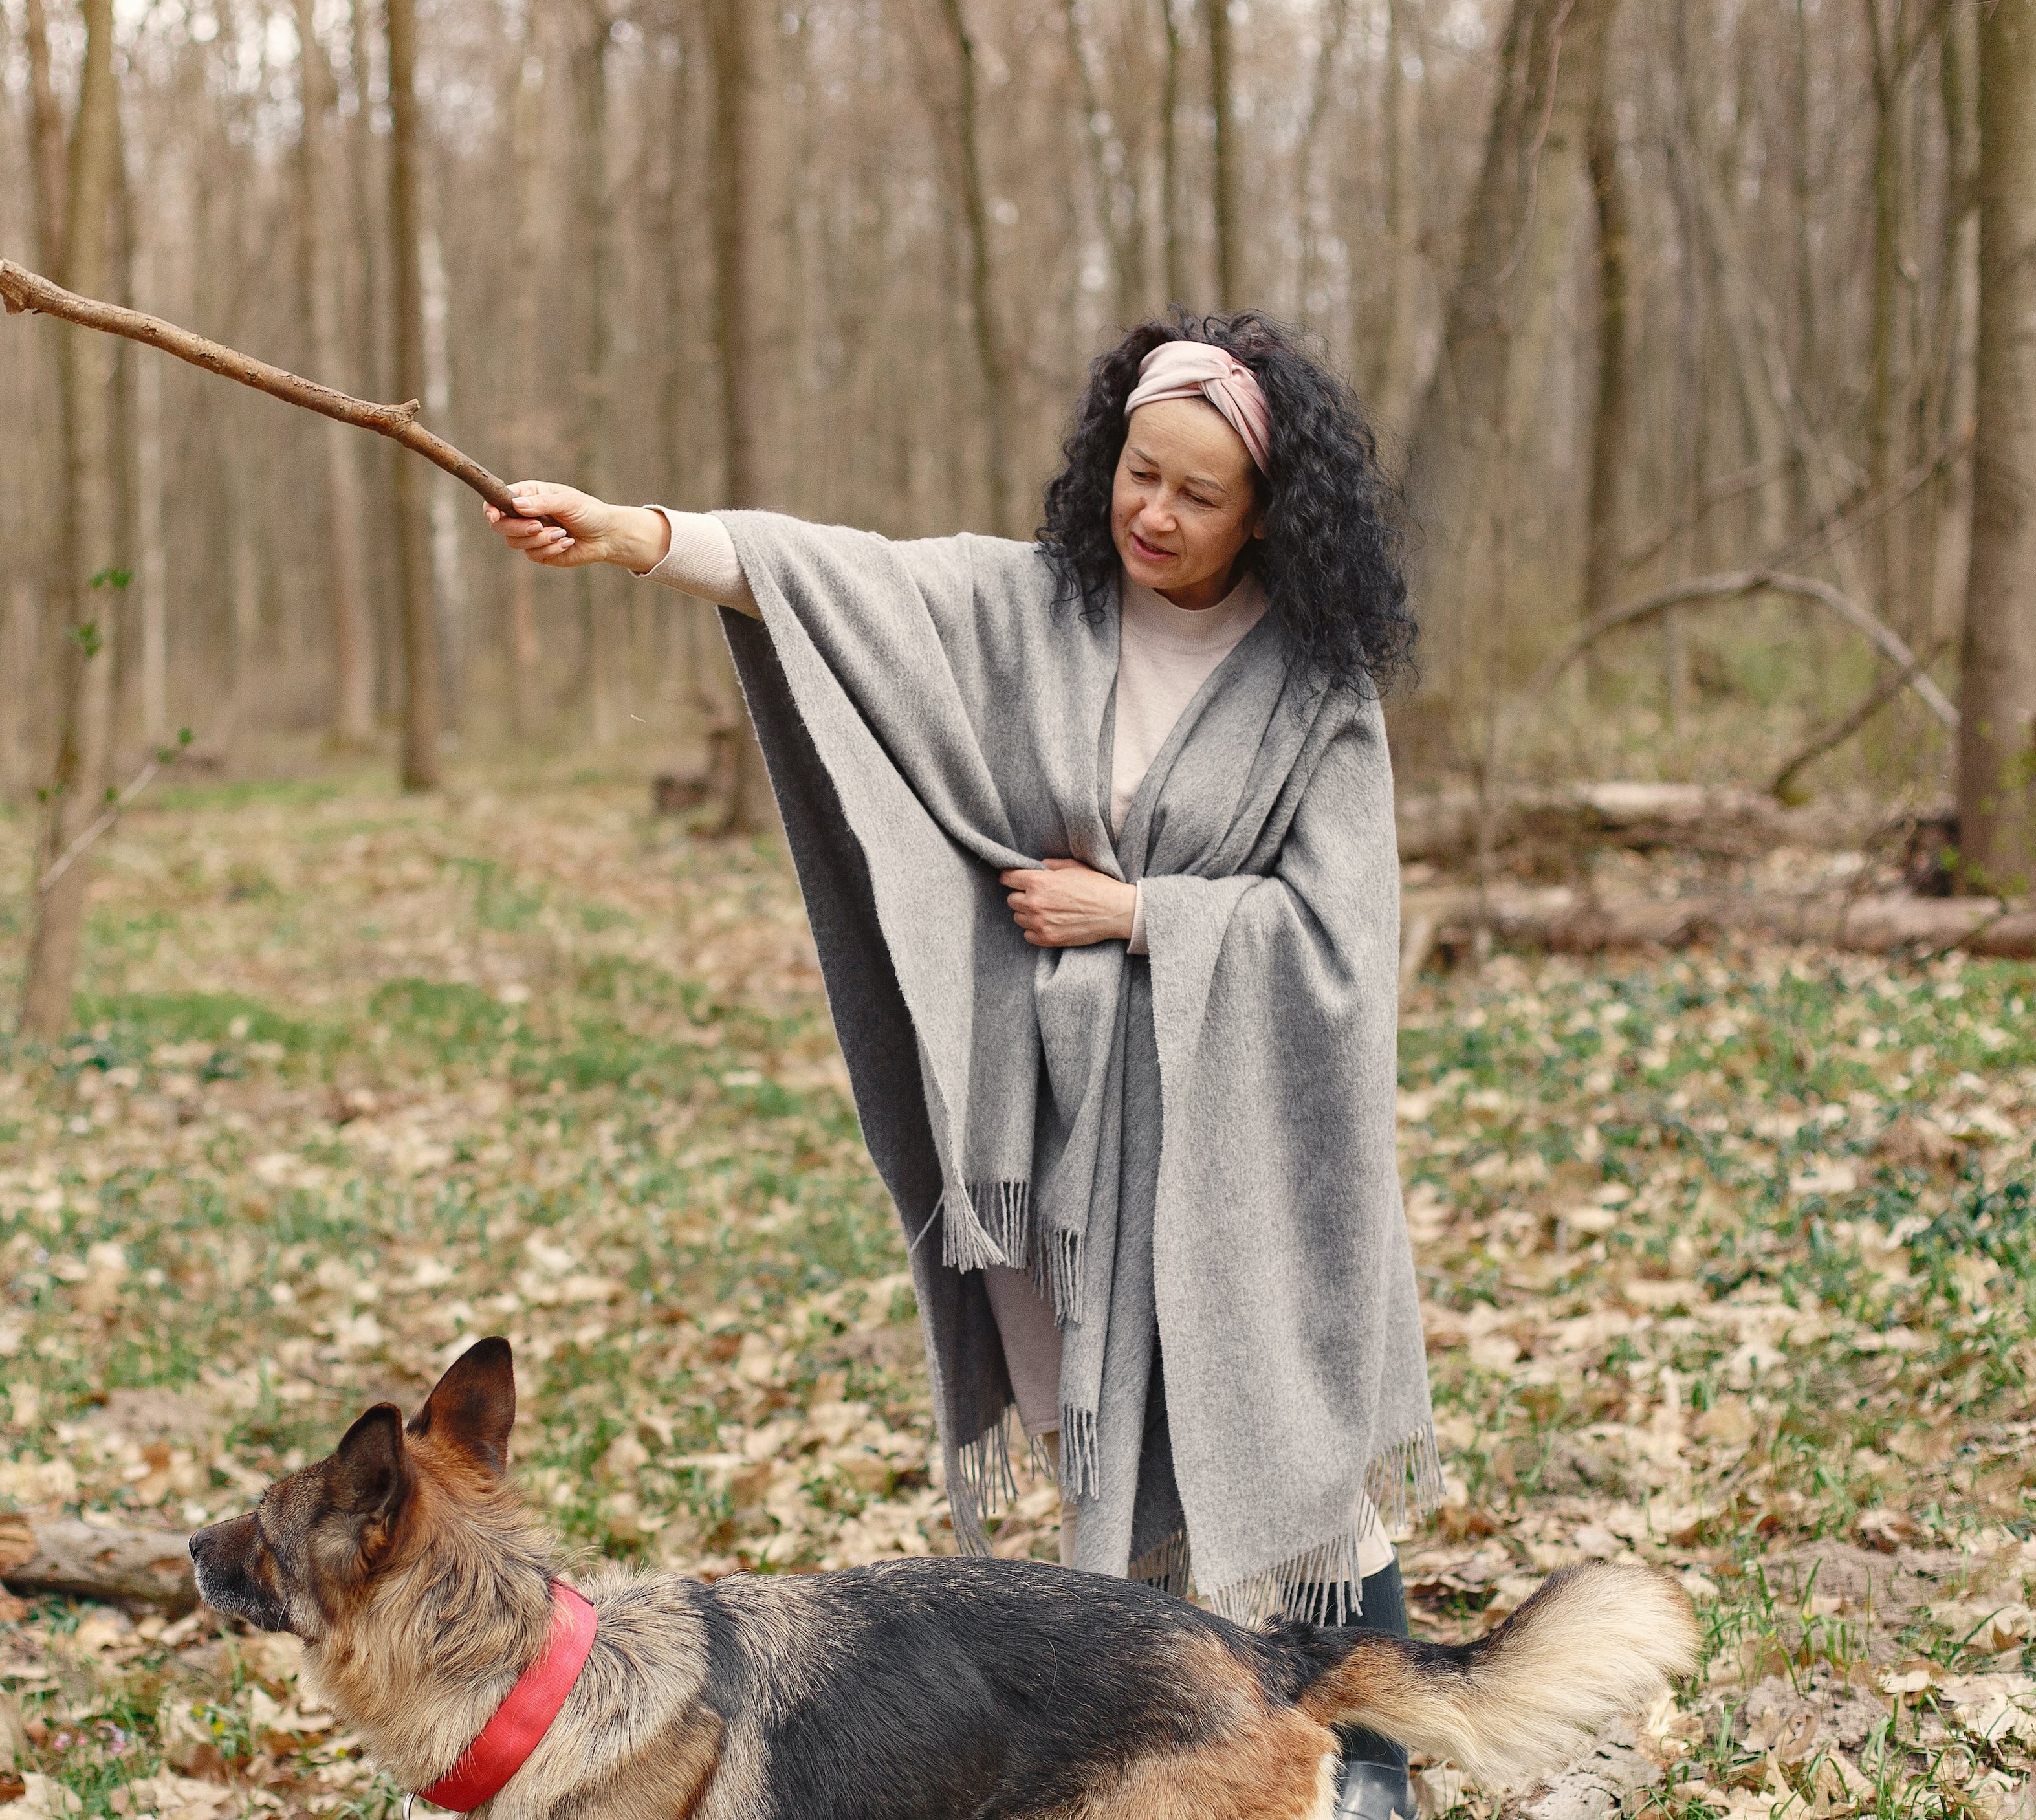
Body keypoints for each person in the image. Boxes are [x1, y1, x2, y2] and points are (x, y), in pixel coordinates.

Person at [489, 312, 1434, 1819]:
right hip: (1063, 1141)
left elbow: (1343, 938)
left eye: (1197, 494)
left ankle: (1374, 1781)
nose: (1152, 513)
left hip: (1247, 1148)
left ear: (1268, 514)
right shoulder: (1032, 607)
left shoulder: (1314, 688)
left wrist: (1139, 915)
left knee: (1301, 1459)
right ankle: (1162, 1758)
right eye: (1137, 471)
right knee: (1108, 1454)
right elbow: (835, 579)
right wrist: (635, 535)